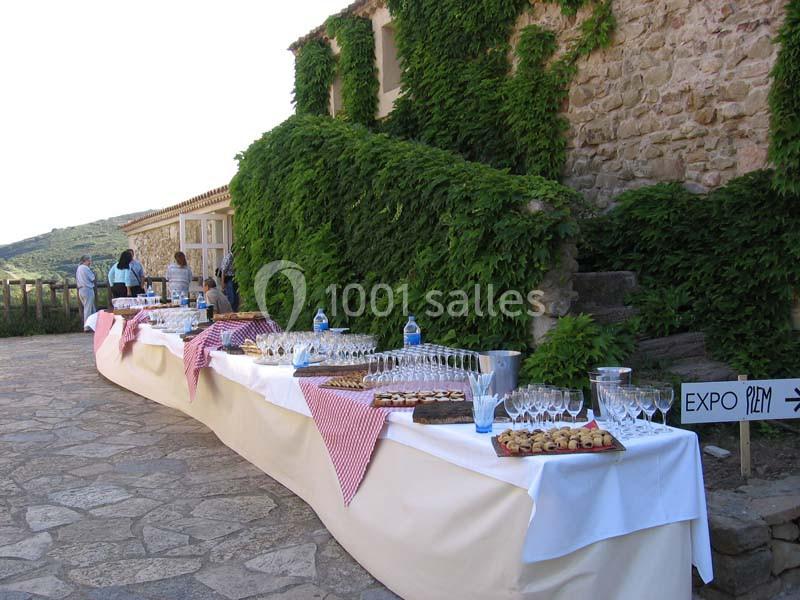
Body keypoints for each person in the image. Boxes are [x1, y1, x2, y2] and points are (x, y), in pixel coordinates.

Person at [76, 255, 96, 331]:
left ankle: (93, 325)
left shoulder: (79, 268)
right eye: (89, 260)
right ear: (86, 260)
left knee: (91, 307)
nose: (90, 262)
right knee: (88, 308)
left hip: (81, 289)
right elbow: (92, 278)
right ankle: (87, 326)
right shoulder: (85, 268)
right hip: (87, 289)